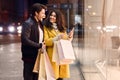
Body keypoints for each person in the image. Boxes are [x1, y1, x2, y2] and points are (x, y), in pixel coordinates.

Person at [43, 9, 74, 80]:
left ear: (58, 18)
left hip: (62, 55)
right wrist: (57, 38)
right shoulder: (46, 27)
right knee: (53, 76)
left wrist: (69, 36)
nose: (52, 17)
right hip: (52, 55)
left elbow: (66, 41)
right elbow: (46, 41)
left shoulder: (62, 28)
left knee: (61, 76)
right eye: (51, 15)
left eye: (54, 16)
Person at [21, 3, 47, 80]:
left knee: (36, 76)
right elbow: (25, 40)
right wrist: (39, 45)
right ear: (36, 13)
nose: (44, 15)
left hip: (38, 55)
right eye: (42, 13)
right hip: (30, 56)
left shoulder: (39, 23)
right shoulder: (28, 23)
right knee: (29, 76)